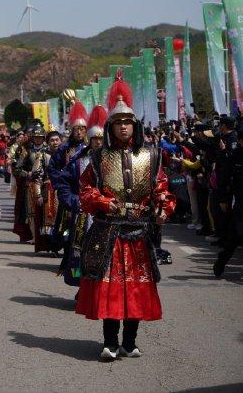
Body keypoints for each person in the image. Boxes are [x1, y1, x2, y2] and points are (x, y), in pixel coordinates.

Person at [75, 72, 175, 360]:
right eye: (118, 122)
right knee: (111, 290)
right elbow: (86, 191)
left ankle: (129, 343)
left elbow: (161, 188)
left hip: (139, 234)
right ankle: (109, 342)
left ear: (135, 125)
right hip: (109, 233)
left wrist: (163, 208)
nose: (123, 128)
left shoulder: (151, 156)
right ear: (110, 127)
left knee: (136, 290)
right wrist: (105, 203)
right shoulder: (98, 158)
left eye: (127, 122)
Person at [59, 105, 107, 287]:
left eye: (101, 139)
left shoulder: (114, 160)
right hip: (82, 215)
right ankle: (83, 287)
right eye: (94, 139)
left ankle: (101, 289)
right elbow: (64, 184)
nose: (98, 142)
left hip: (107, 214)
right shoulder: (77, 161)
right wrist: (73, 200)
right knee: (80, 252)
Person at [49, 102, 88, 253]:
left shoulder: (92, 148)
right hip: (71, 195)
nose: (79, 132)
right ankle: (71, 264)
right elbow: (52, 167)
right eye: (75, 129)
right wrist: (61, 183)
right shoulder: (65, 148)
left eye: (82, 129)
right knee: (68, 231)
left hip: (90, 195)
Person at [13, 122, 52, 252]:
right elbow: (17, 169)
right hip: (31, 185)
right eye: (36, 137)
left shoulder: (49, 150)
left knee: (47, 211)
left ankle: (47, 237)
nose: (38, 139)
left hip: (47, 184)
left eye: (40, 137)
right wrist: (27, 173)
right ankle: (35, 237)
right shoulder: (26, 151)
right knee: (32, 212)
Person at [213, 128, 243, 277]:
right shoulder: (235, 156)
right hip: (240, 202)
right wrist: (223, 199)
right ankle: (222, 260)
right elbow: (224, 180)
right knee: (237, 235)